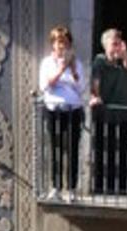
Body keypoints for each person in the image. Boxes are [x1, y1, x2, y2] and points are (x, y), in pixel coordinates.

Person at [38, 25, 87, 201]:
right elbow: (44, 86)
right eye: (59, 43)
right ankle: (56, 188)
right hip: (54, 111)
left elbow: (81, 88)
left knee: (72, 150)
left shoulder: (77, 64)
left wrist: (73, 70)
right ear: (53, 44)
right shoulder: (46, 63)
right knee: (56, 148)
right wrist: (60, 69)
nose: (62, 47)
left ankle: (72, 189)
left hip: (73, 110)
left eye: (65, 43)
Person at [91, 28, 127, 194]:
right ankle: (103, 187)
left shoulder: (124, 59)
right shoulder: (100, 61)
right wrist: (96, 96)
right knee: (105, 152)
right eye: (114, 44)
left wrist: (124, 54)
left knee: (124, 153)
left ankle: (123, 187)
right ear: (105, 45)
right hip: (105, 115)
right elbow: (95, 82)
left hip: (123, 115)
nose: (117, 47)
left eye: (119, 44)